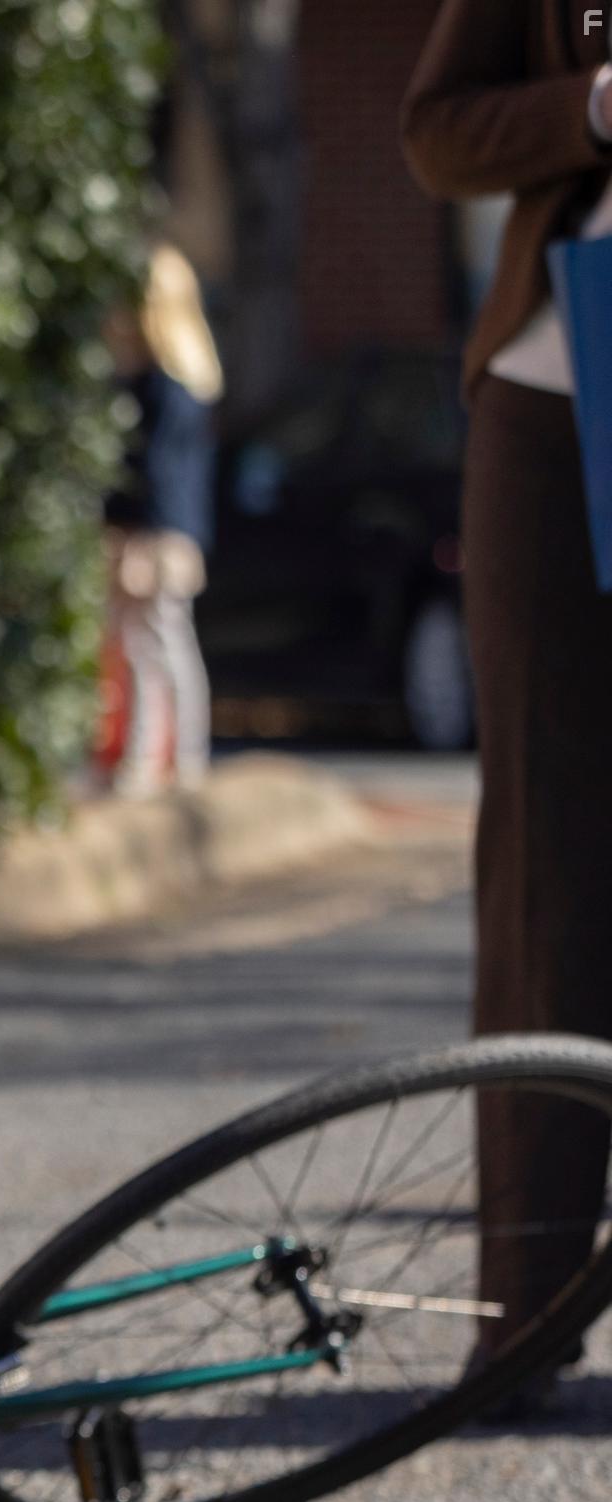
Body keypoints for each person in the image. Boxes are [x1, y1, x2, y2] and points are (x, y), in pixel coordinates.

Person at [406, 1, 612, 1389]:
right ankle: (528, 1312)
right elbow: (435, 129)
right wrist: (590, 110)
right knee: (545, 861)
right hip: (562, 389)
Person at [103, 241, 223, 798]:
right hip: (160, 529)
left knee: (160, 643)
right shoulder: (183, 380)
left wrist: (134, 535)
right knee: (147, 646)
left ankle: (178, 759)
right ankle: (156, 758)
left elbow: (152, 469)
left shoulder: (165, 387)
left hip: (156, 533)